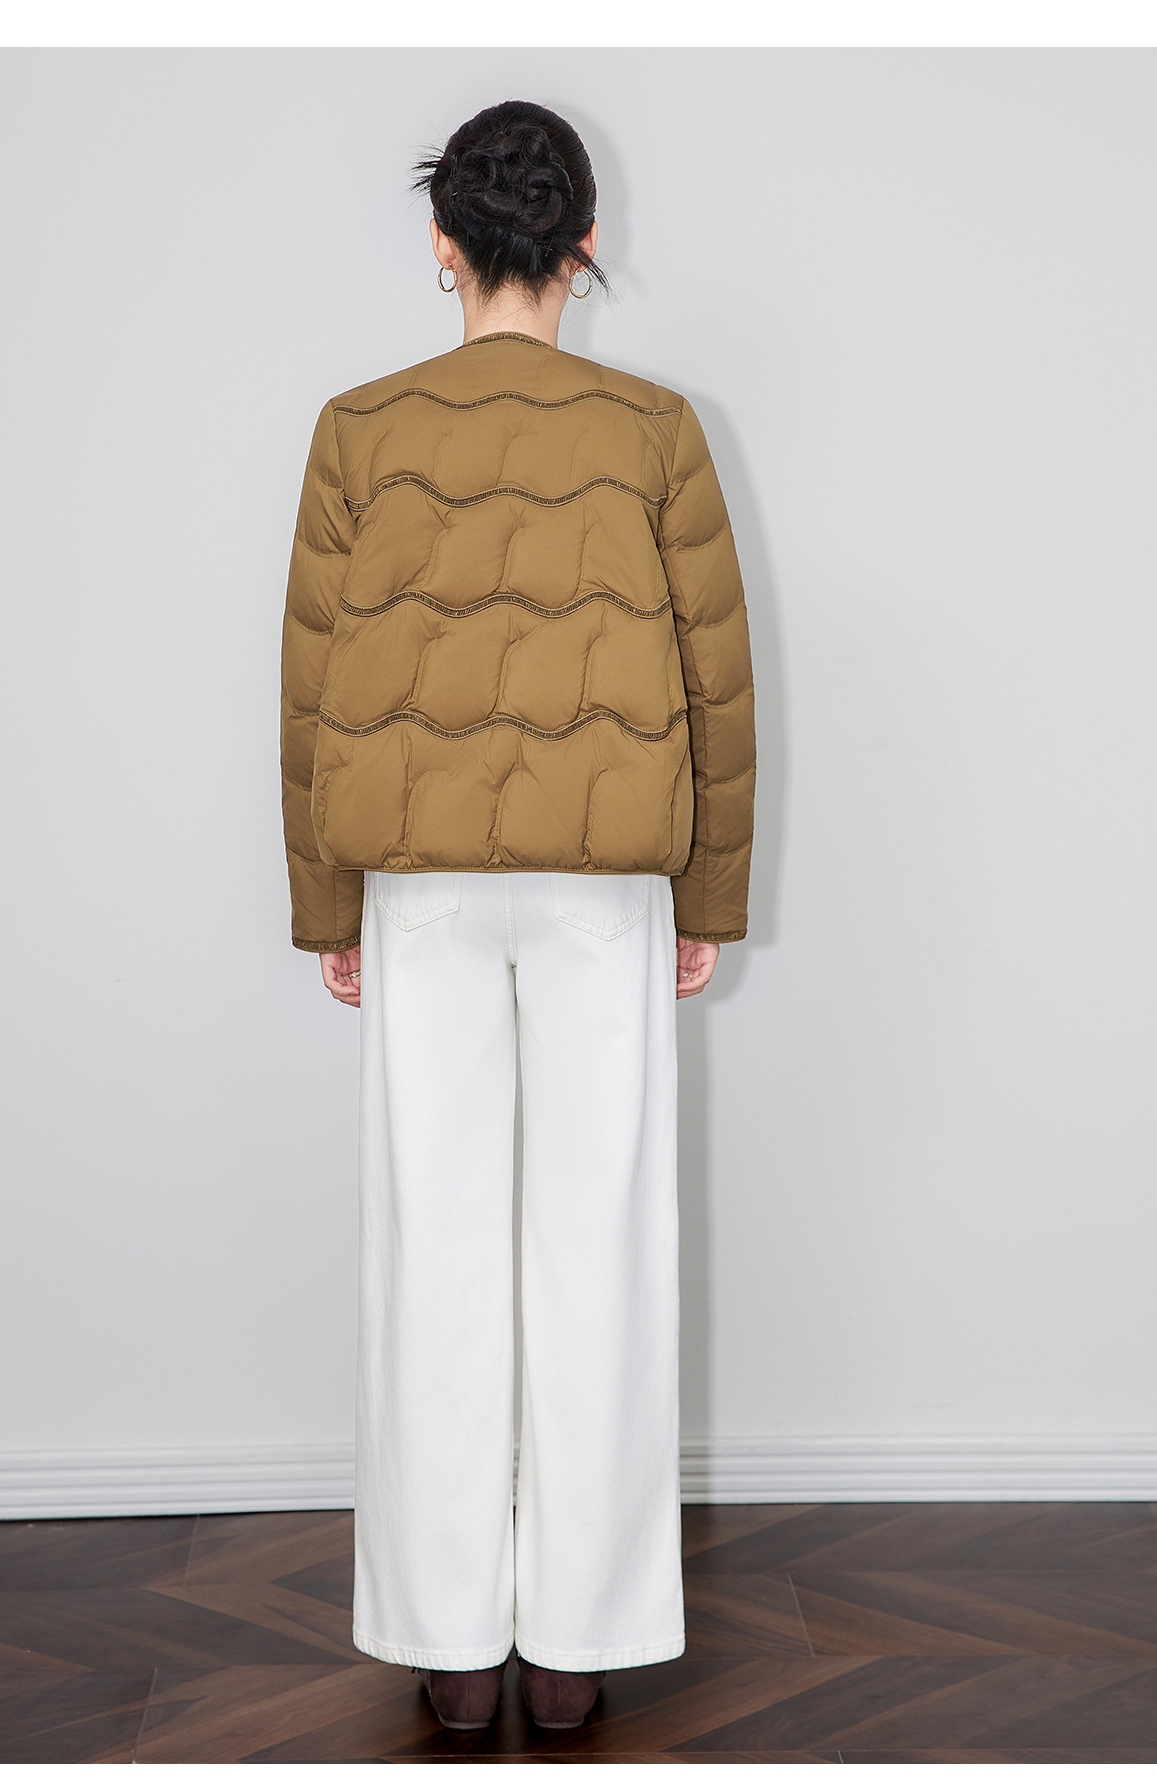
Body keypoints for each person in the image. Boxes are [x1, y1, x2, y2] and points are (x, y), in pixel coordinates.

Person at [280, 99, 755, 1735]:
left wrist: (325, 907)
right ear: (583, 243)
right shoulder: (656, 431)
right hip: (601, 887)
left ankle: (451, 1645)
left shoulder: (358, 430)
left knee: (432, 1244)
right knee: (598, 1245)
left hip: (416, 887)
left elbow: (311, 688)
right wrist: (710, 891)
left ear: (443, 243)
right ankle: (576, 1643)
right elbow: (717, 683)